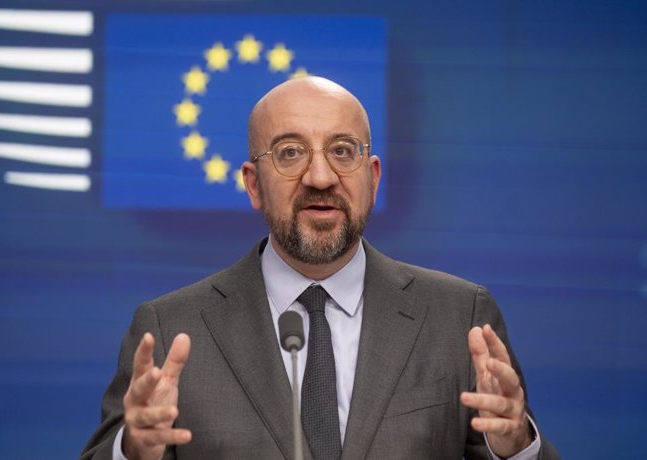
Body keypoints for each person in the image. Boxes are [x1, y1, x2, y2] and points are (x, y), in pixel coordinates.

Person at [80, 76, 559, 460]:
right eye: (290, 152)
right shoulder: (170, 329)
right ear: (253, 184)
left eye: (342, 151)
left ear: (371, 179)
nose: (321, 177)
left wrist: (516, 447)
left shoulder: (460, 317)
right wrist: (135, 452)